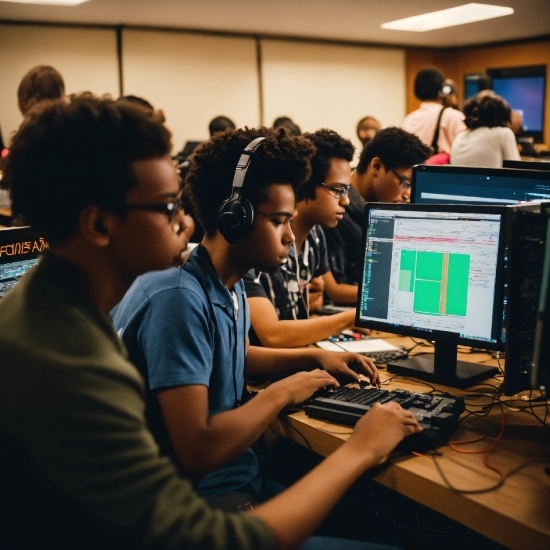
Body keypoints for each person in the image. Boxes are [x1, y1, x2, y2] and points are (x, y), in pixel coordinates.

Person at [0, 94, 421, 549]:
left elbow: (219, 352)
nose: (183, 221)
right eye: (165, 208)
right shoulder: (81, 363)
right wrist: (361, 449)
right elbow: (211, 532)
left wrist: (307, 363)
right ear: (99, 225)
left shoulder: (51, 306)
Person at [112, 125, 381, 505]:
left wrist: (315, 357)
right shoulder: (178, 300)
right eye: (278, 221)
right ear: (233, 218)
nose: (289, 236)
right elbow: (198, 450)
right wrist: (283, 392)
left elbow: (225, 357)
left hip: (242, 477)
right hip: (205, 503)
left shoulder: (225, 280)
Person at [245, 128, 363, 348]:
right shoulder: (258, 244)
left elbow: (323, 292)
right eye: (338, 190)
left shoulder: (315, 237)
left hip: (296, 358)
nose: (346, 201)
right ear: (307, 183)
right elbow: (272, 335)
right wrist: (351, 318)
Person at [324, 127, 431, 285]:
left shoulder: (385, 213)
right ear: (376, 166)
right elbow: (337, 288)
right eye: (404, 183)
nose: (407, 194)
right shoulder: (337, 213)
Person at [402, 67, 465, 157]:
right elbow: (465, 151)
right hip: (443, 170)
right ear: (442, 89)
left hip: (415, 170)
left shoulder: (408, 120)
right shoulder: (452, 116)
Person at [450, 93, 521, 168]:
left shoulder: (460, 136)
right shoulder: (502, 133)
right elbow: (516, 170)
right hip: (489, 180)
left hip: (459, 180)